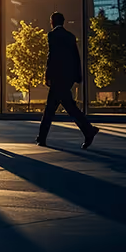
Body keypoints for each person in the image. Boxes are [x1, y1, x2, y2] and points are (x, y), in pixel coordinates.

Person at [37, 12, 99, 149]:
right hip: (67, 78)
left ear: (52, 21)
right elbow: (76, 57)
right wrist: (77, 76)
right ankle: (88, 130)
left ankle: (42, 138)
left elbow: (51, 57)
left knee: (52, 108)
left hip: (57, 78)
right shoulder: (71, 37)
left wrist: (47, 75)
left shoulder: (52, 35)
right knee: (66, 106)